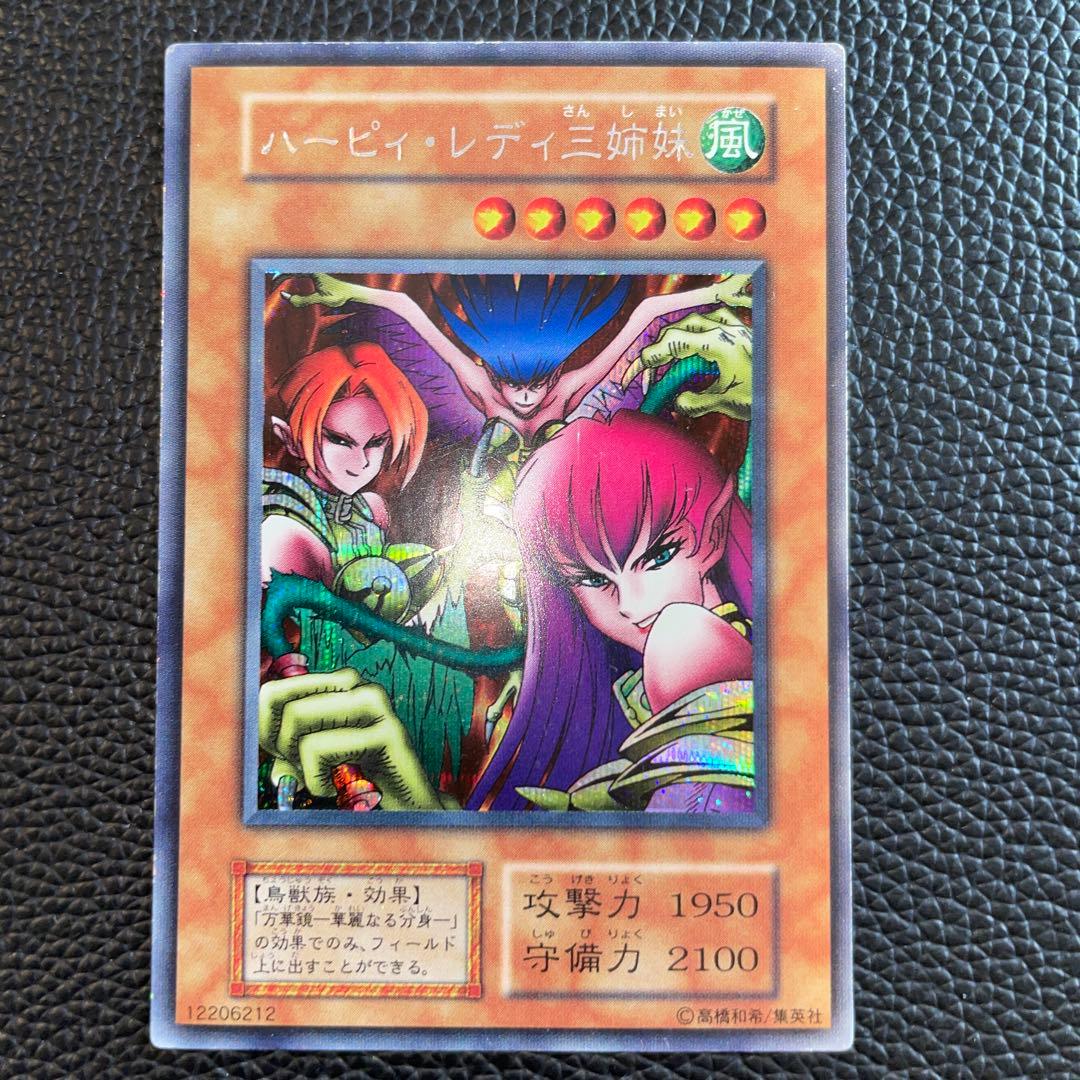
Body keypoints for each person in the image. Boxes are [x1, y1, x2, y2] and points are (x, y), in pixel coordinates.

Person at [466, 409, 754, 812]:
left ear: (714, 531)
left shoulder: (685, 636)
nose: (632, 605)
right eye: (593, 579)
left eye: (659, 556)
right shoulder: (618, 689)